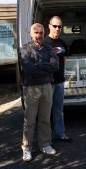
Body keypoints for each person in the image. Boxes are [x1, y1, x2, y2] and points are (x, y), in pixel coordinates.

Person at [19, 23, 59, 162]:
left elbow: (55, 66)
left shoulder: (49, 48)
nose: (38, 35)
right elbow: (29, 69)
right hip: (31, 89)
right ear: (30, 34)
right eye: (35, 33)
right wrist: (45, 65)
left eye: (41, 33)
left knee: (45, 119)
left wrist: (38, 65)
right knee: (29, 120)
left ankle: (45, 144)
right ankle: (27, 148)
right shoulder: (24, 49)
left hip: (47, 87)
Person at [44, 16, 72, 142]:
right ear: (49, 26)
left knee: (59, 110)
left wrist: (63, 75)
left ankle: (60, 134)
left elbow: (64, 59)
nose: (57, 29)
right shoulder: (44, 43)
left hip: (60, 82)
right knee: (45, 112)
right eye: (55, 26)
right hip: (47, 83)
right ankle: (46, 138)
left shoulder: (62, 43)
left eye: (59, 26)